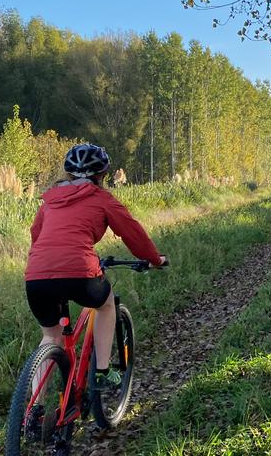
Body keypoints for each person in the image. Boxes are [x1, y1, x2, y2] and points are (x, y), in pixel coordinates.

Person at [24, 143, 165, 388]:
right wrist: (155, 259)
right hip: (80, 271)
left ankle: (32, 412)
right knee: (106, 305)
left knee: (50, 335)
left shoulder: (49, 201)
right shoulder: (102, 198)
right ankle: (101, 370)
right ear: (102, 175)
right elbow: (134, 234)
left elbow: (36, 235)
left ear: (67, 173)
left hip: (37, 275)